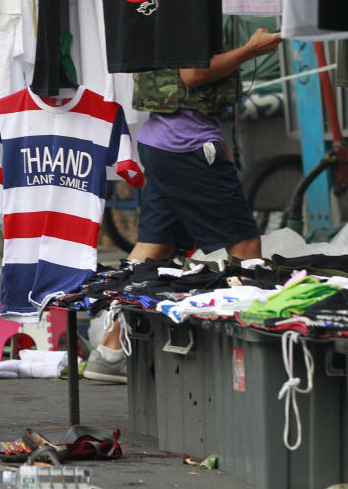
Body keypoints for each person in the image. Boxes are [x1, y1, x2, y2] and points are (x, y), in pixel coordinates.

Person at [84, 27, 283, 383]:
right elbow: (193, 73)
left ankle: (110, 351)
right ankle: (250, 358)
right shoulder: (187, 1)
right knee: (246, 245)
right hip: (186, 142)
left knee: (153, 248)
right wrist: (252, 49)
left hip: (160, 141)